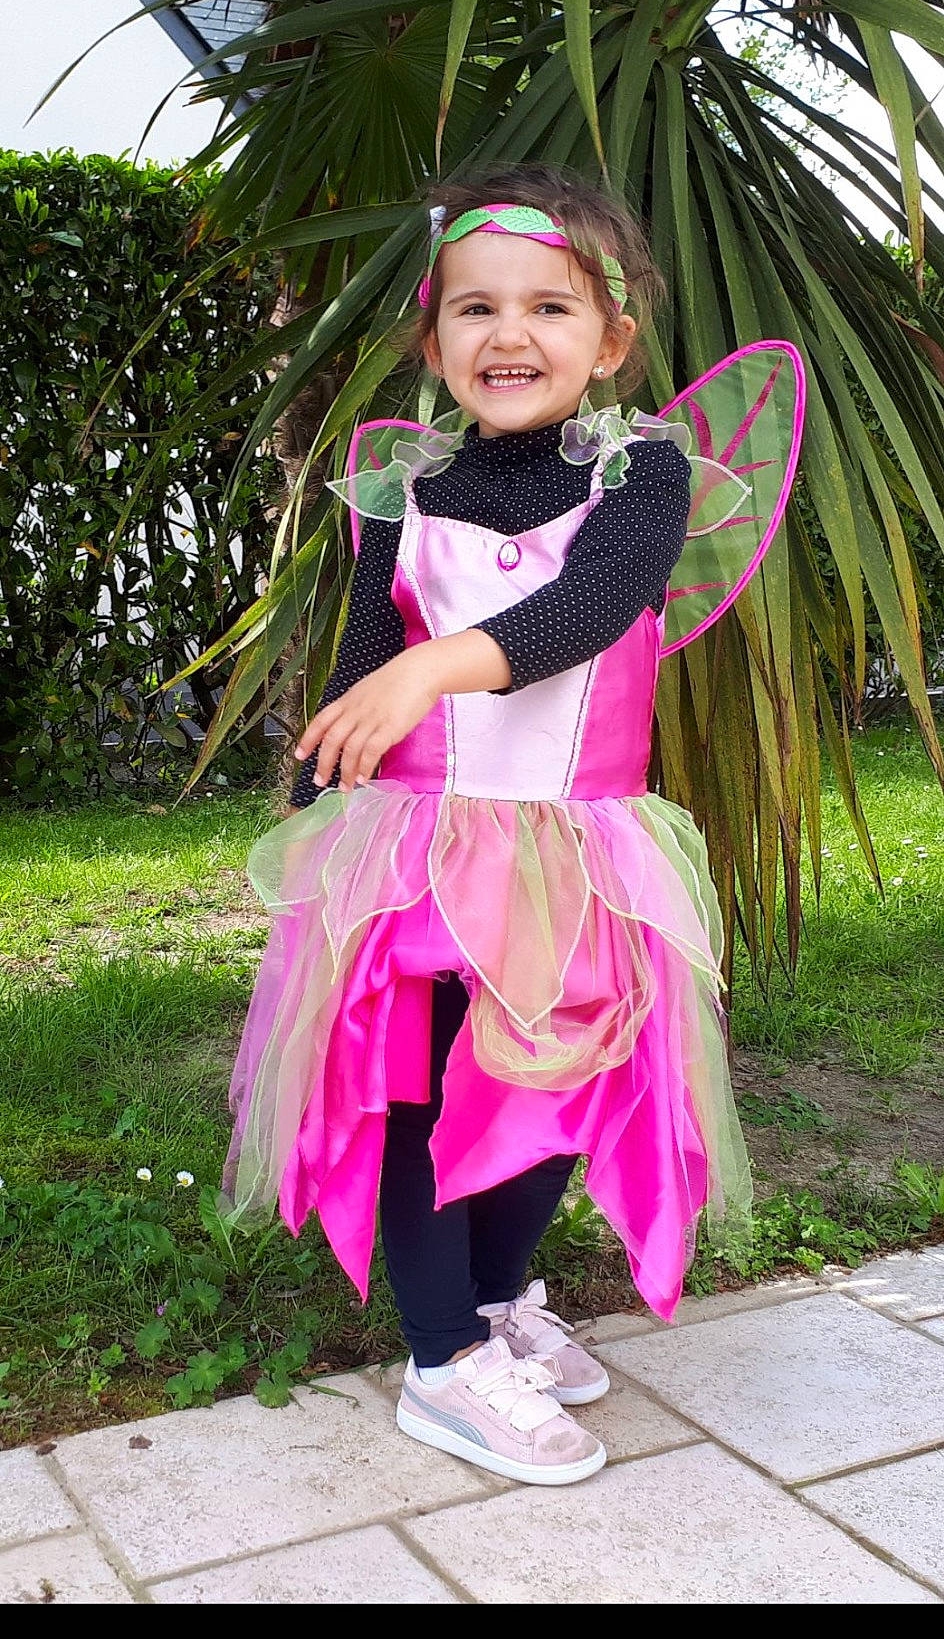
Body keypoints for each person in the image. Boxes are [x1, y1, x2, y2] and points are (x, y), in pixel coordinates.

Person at [223, 164, 776, 1488]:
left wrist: (429, 669)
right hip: (411, 857)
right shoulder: (399, 494)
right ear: (434, 338)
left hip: (573, 847)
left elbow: (592, 608)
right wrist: (318, 822)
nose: (510, 336)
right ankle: (439, 1363)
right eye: (475, 309)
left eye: (549, 308)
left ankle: (492, 1299)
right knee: (415, 1101)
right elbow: (362, 662)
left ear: (611, 341)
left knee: (557, 1083)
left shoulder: (645, 476)